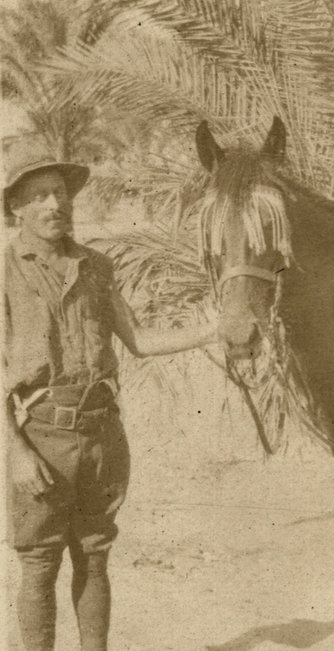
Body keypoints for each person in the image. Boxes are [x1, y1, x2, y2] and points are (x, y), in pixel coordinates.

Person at [3, 141, 217, 651]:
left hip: (101, 435)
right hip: (42, 438)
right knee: (40, 562)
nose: (55, 204)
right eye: (40, 195)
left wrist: (213, 331)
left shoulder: (96, 267)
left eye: (61, 192)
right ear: (16, 207)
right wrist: (16, 450)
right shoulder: (5, 271)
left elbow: (137, 339)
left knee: (95, 556)